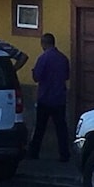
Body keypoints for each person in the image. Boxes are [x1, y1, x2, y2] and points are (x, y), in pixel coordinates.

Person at [27, 33, 71, 162]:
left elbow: (37, 77)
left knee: (40, 128)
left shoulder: (43, 58)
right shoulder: (63, 58)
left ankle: (34, 153)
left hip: (45, 98)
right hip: (59, 98)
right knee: (61, 128)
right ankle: (64, 154)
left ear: (43, 44)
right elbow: (67, 76)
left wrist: (33, 72)